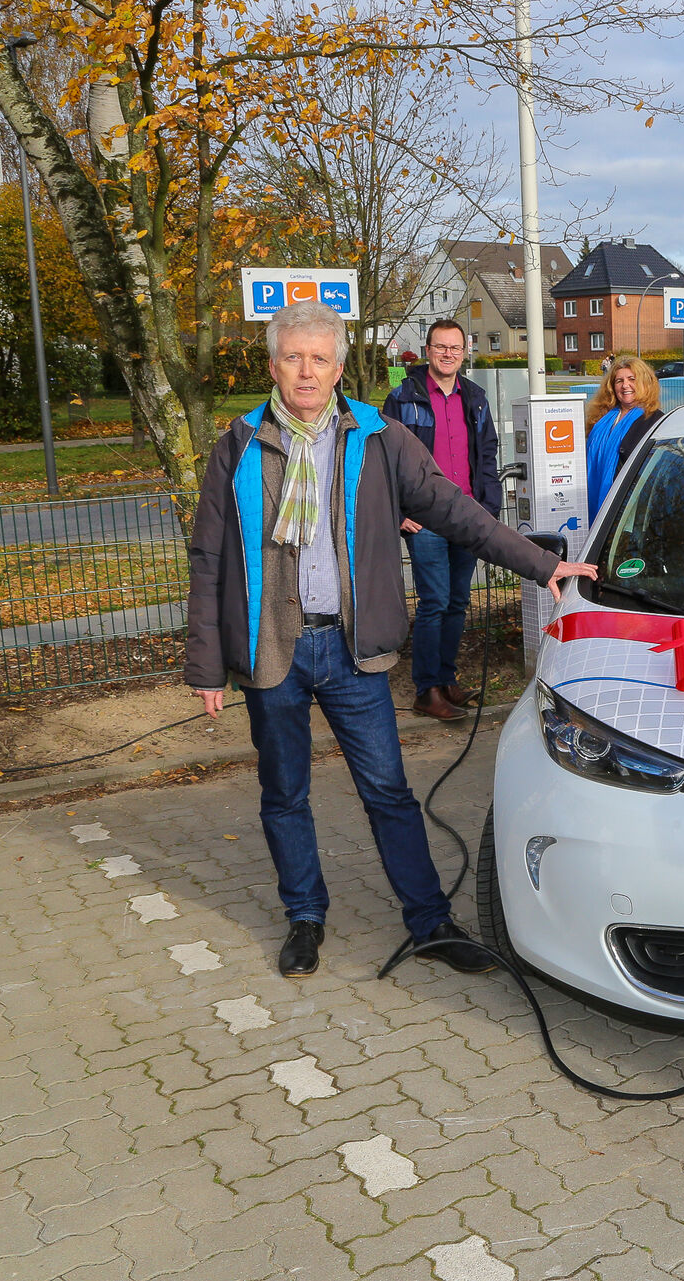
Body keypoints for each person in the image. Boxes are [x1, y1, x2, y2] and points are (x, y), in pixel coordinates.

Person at [185, 300, 596, 979]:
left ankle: (430, 921)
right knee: (283, 793)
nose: (307, 371)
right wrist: (206, 666)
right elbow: (209, 558)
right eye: (294, 357)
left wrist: (543, 563)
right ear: (273, 366)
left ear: (340, 366)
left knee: (389, 791)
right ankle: (305, 916)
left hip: (351, 650)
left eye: (320, 358)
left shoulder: (378, 439)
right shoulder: (238, 445)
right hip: (271, 652)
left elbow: (458, 511)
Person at [379, 320, 501, 722]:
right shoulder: (403, 398)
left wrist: (489, 508)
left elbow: (487, 454)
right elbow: (383, 460)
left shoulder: (476, 397)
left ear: (464, 352)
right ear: (428, 350)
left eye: (455, 348)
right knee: (433, 602)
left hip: (467, 514)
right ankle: (426, 689)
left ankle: (446, 680)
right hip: (427, 518)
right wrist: (399, 511)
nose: (448, 354)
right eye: (440, 347)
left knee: (457, 602)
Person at [584, 356, 663, 522]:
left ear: (645, 383)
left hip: (629, 509)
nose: (625, 385)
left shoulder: (655, 421)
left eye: (632, 379)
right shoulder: (601, 420)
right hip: (594, 500)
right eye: (619, 380)